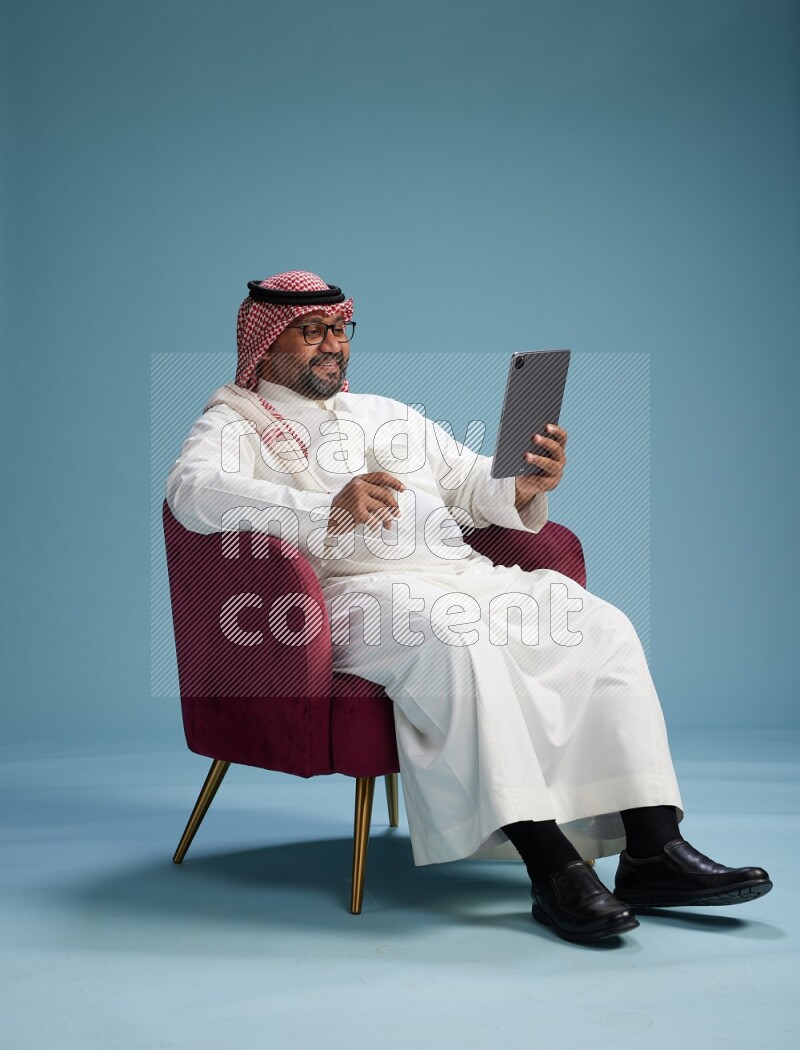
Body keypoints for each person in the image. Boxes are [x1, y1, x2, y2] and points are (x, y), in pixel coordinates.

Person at [165, 270, 772, 944]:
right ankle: (553, 868)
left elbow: (467, 480)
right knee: (457, 639)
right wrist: (321, 509)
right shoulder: (234, 421)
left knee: (598, 624)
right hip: (350, 593)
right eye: (314, 332)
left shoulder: (384, 412)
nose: (333, 345)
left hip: (458, 572)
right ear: (266, 343)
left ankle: (654, 848)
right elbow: (192, 494)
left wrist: (524, 480)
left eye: (340, 329)